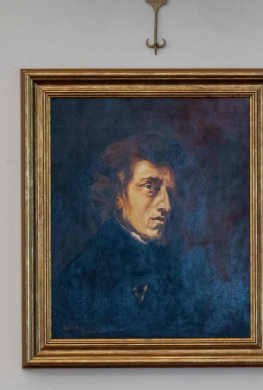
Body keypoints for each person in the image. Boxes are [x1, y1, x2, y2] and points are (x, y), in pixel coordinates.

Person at [53, 133, 196, 338]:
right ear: (118, 194)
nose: (166, 205)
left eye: (169, 193)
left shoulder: (170, 268)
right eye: (150, 187)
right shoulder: (83, 275)